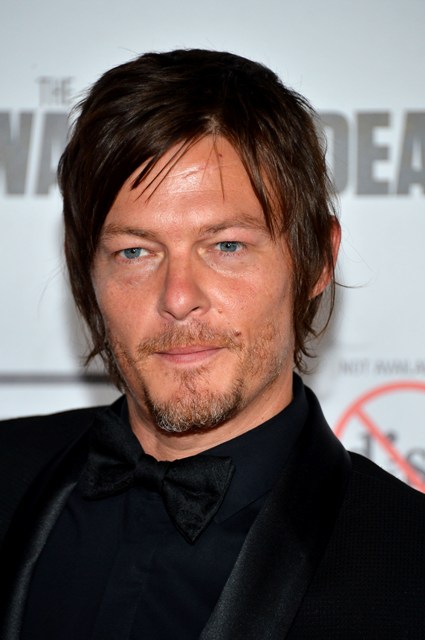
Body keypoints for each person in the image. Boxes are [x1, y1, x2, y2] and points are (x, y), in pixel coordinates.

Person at [0, 49, 424, 640]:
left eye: (227, 246)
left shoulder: (409, 565)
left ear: (316, 262)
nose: (178, 298)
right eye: (134, 251)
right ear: (86, 274)